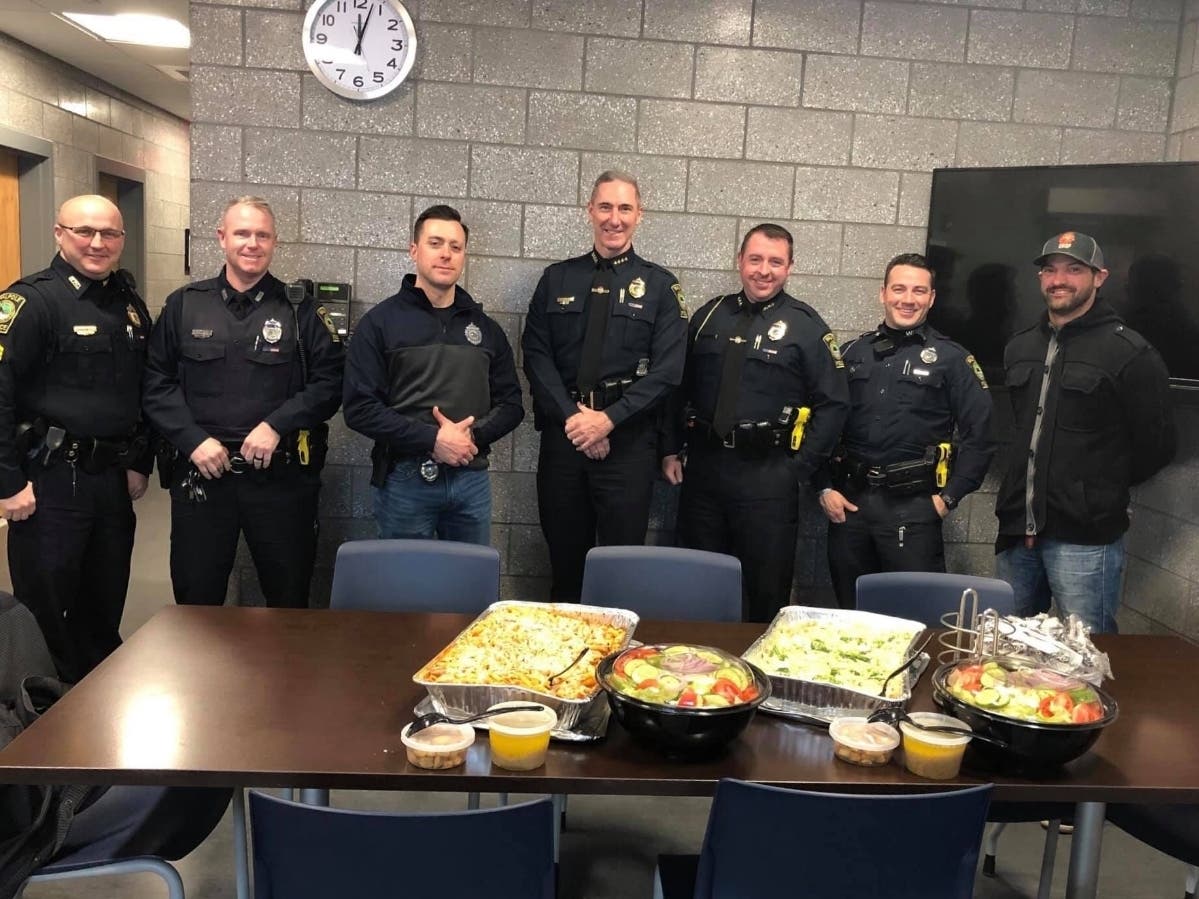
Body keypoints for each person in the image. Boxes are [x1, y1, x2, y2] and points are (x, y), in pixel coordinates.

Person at [143, 196, 344, 608]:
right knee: (196, 601)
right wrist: (193, 440)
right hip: (202, 475)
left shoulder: (301, 310)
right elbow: (155, 383)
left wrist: (276, 425)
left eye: (262, 235)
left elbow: (330, 383)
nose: (252, 243)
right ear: (222, 238)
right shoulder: (185, 304)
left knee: (288, 598)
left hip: (279, 479)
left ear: (274, 242)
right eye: (242, 233)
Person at [661, 224, 850, 623]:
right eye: (756, 259)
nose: (764, 270)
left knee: (766, 591)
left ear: (790, 267)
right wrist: (670, 448)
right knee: (698, 585)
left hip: (768, 478)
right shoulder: (709, 315)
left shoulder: (807, 326)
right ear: (740, 262)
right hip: (705, 473)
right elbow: (679, 387)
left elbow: (834, 404)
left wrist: (798, 469)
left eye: (775, 262)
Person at [0, 195, 153, 682]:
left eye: (109, 233)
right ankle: (40, 708)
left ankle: (94, 704)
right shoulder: (31, 302)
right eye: (85, 231)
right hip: (49, 482)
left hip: (109, 481)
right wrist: (6, 482)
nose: (97, 243)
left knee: (103, 606)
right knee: (44, 612)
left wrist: (139, 460)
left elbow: (142, 389)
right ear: (59, 234)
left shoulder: (128, 303)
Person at [994, 232, 1176, 634]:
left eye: (1074, 269)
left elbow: (1158, 444)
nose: (1059, 279)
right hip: (1016, 531)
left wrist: (1097, 489)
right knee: (1007, 649)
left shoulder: (1130, 353)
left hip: (1085, 539)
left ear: (1099, 277)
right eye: (1050, 270)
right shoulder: (1019, 347)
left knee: (1088, 652)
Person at [522, 171, 687, 602]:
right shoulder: (556, 279)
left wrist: (608, 420)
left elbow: (668, 371)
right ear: (590, 211)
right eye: (606, 207)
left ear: (639, 215)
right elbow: (536, 355)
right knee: (565, 567)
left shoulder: (661, 287)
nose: (615, 218)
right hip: (566, 440)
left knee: (620, 575)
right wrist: (578, 421)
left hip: (628, 446)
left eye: (625, 208)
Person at [817, 253, 994, 608]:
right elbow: (823, 423)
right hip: (850, 508)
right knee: (851, 614)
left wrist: (947, 500)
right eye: (899, 289)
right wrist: (822, 487)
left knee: (914, 617)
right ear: (883, 293)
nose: (908, 299)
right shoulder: (851, 353)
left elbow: (981, 436)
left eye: (918, 291)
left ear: (932, 298)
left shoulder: (952, 359)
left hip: (914, 511)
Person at [342, 204, 523, 543]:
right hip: (404, 481)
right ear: (414, 250)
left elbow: (512, 405)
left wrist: (470, 439)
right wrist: (432, 440)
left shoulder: (486, 330)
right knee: (405, 576)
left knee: (471, 575)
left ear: (464, 255)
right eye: (435, 243)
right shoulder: (379, 324)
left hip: (470, 478)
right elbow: (359, 408)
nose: (446, 254)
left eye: (456, 247)